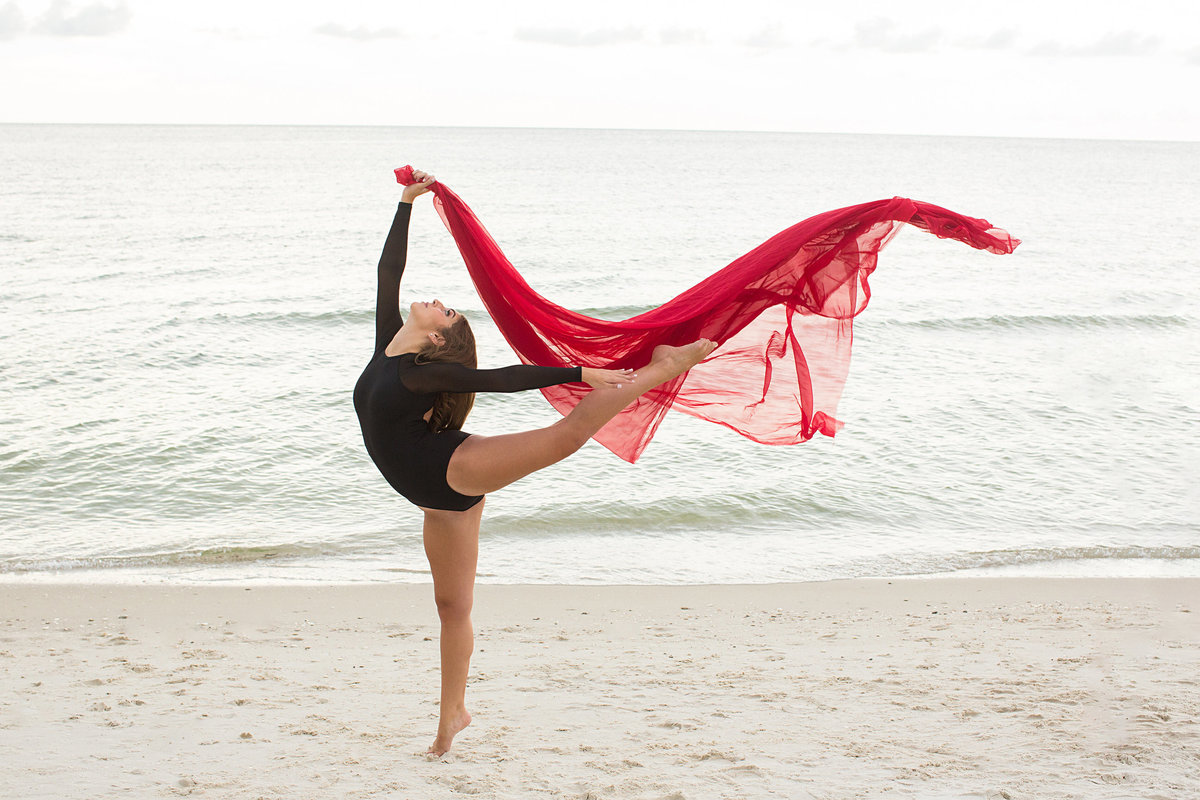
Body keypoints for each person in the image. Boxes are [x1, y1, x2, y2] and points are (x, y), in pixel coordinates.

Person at [352, 169, 716, 756]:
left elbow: (498, 380)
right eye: (446, 307)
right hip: (433, 499)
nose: (440, 304)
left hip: (450, 469)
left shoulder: (421, 374)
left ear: (438, 343)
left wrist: (577, 372)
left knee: (566, 435)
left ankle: (666, 367)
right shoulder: (385, 345)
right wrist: (405, 203)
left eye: (446, 314)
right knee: (452, 607)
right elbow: (385, 273)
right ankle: (453, 714)